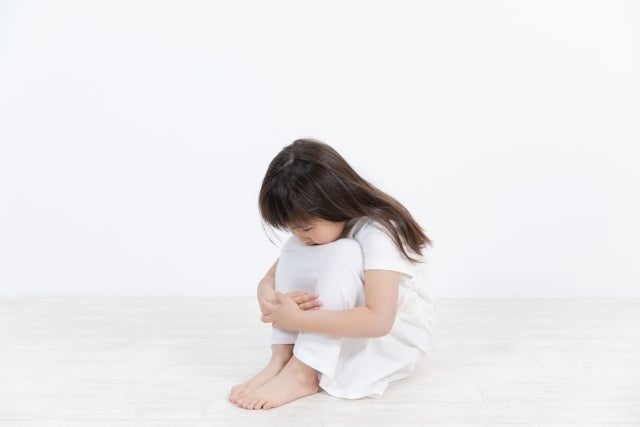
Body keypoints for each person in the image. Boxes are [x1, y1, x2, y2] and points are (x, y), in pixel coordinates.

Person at [229, 138, 437, 410]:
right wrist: (267, 295)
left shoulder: (379, 231)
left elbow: (379, 321)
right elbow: (270, 278)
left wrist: (299, 318)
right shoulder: (310, 235)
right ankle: (283, 358)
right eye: (291, 229)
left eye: (305, 228)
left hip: (390, 335)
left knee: (344, 252)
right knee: (293, 249)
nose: (300, 236)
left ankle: (303, 372)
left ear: (332, 203)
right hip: (344, 322)